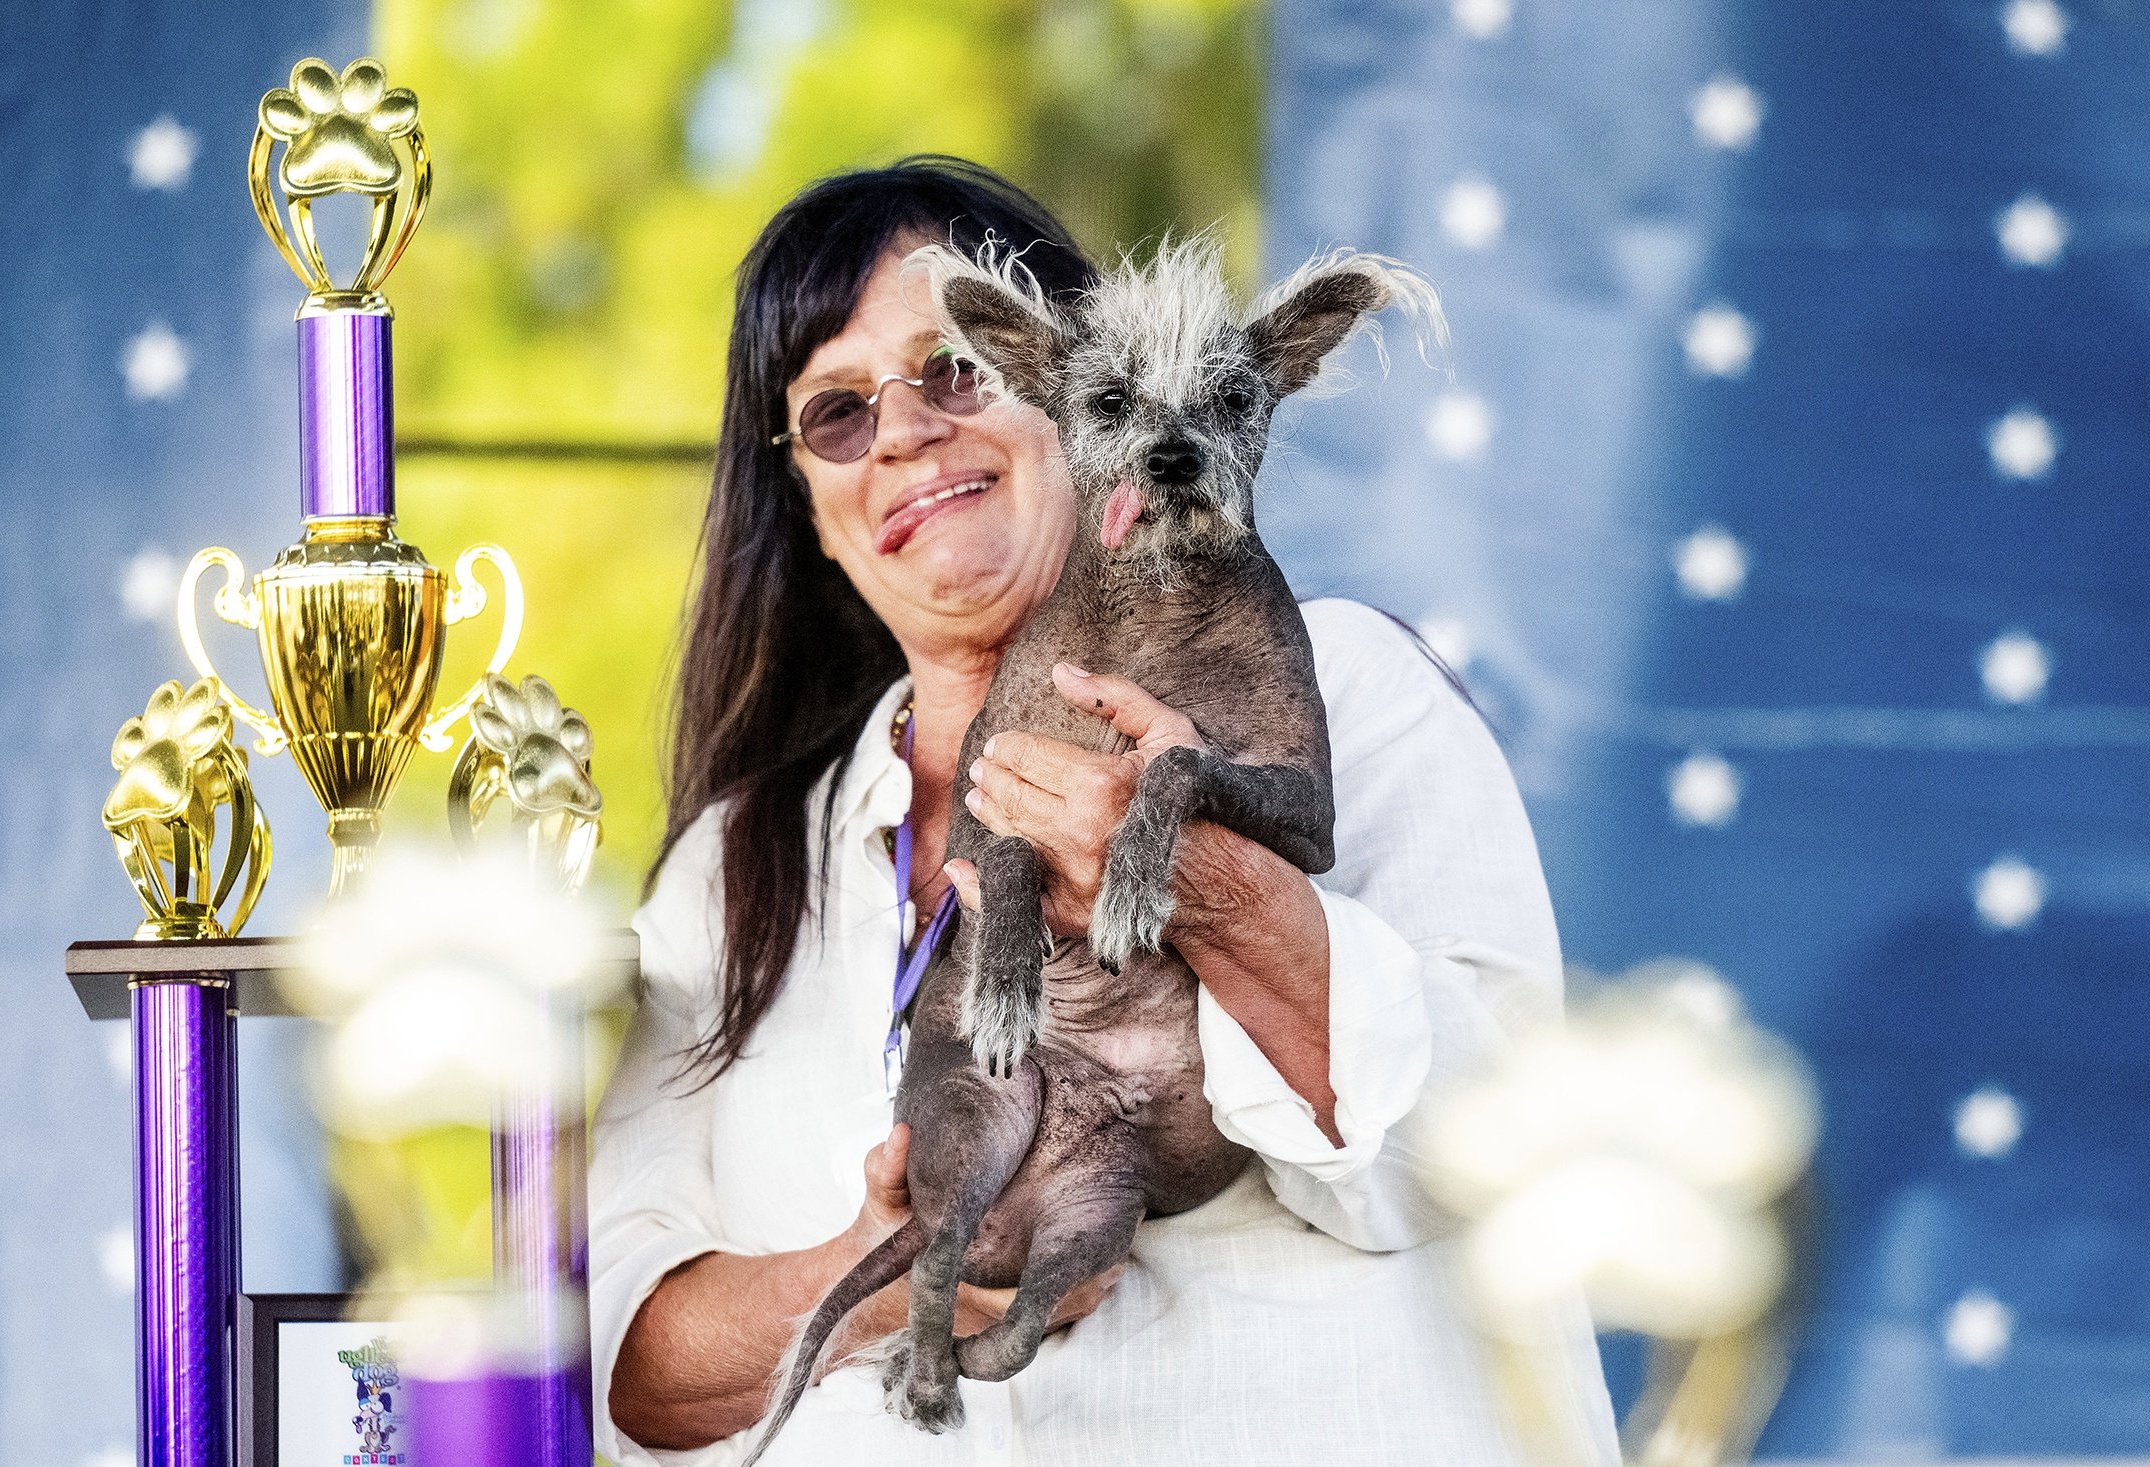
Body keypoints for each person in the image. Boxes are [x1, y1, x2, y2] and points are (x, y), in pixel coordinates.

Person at [591, 155, 1618, 1466]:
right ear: (810, 513)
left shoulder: (1349, 688)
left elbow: (1505, 1153)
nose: (901, 435)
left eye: (956, 370)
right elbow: (618, 1367)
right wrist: (886, 1273)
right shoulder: (737, 867)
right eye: (837, 413)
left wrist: (1203, 882)